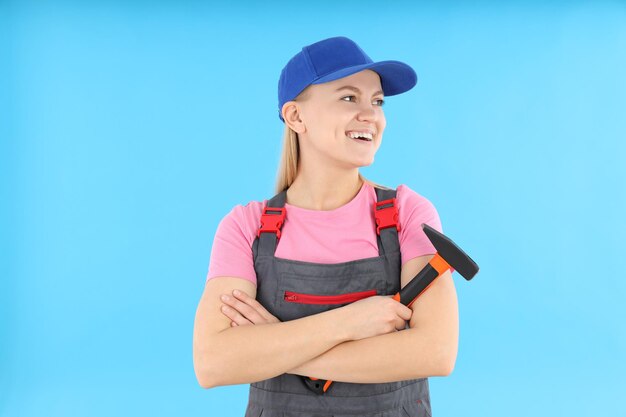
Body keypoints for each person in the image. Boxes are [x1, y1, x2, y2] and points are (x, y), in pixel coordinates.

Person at [193, 36, 459, 417]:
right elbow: (213, 363)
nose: (371, 115)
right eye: (349, 98)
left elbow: (436, 351)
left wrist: (273, 347)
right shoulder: (246, 226)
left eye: (377, 101)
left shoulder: (408, 213)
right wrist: (349, 321)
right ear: (295, 116)